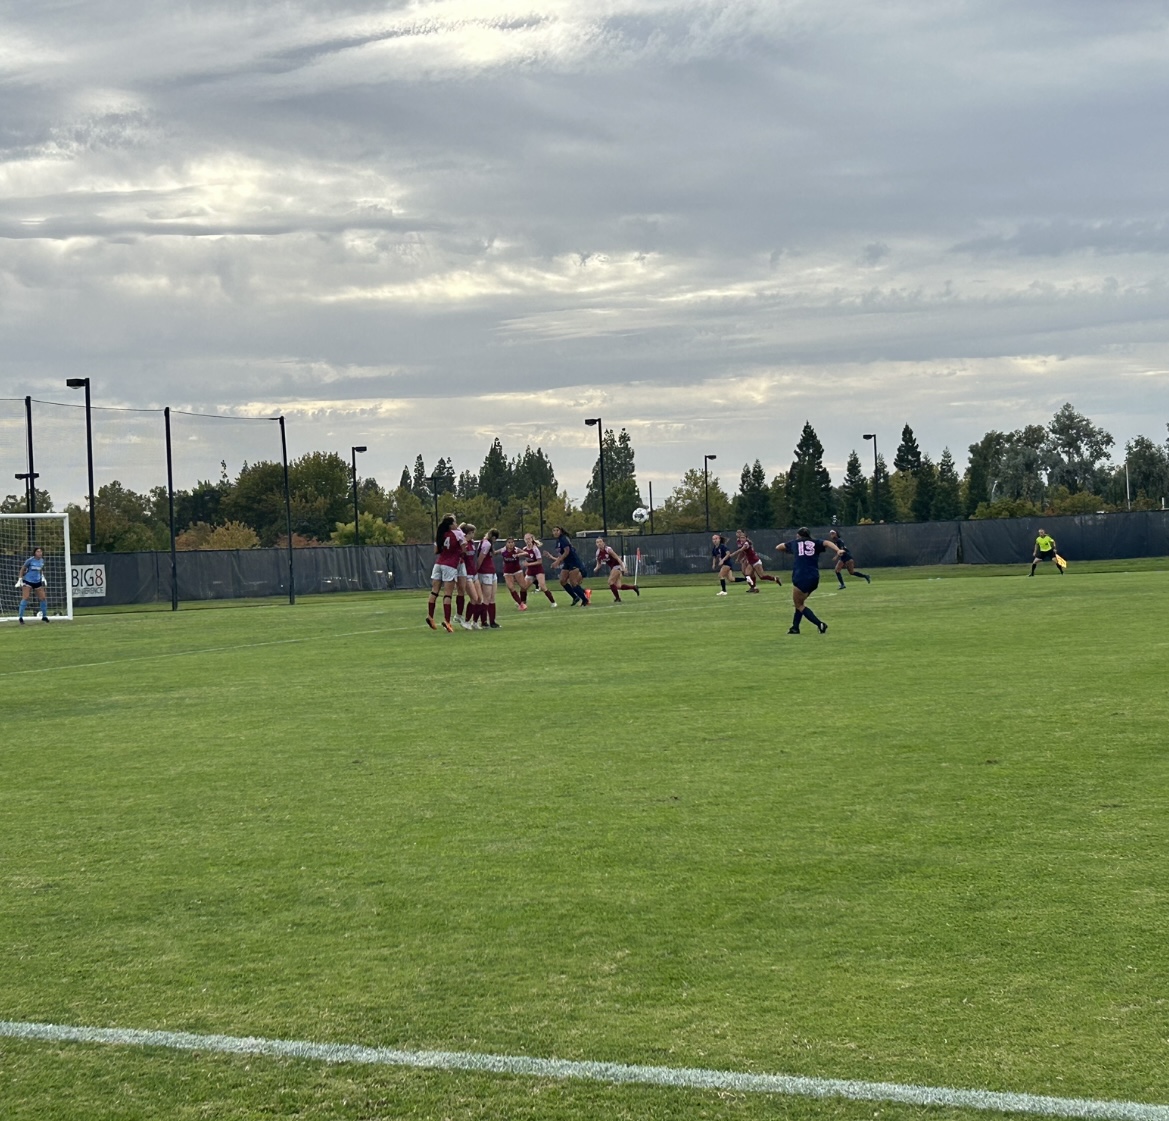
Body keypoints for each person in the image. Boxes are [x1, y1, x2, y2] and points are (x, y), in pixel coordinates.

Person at [775, 527, 842, 634]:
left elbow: (778, 547)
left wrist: (791, 550)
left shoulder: (795, 543)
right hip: (814, 577)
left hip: (801, 575)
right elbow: (827, 543)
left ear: (798, 536)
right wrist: (838, 550)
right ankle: (795, 627)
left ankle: (820, 624)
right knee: (800, 602)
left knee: (798, 604)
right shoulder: (815, 542)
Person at [426, 514, 461, 631]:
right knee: (447, 594)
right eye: (455, 523)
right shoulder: (457, 533)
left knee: (434, 592)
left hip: (438, 564)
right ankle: (447, 622)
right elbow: (464, 548)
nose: (456, 525)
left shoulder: (440, 534)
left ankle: (430, 616)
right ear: (450, 525)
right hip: (450, 565)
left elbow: (436, 551)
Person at [549, 525, 589, 605]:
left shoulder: (563, 538)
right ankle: (575, 597)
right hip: (567, 563)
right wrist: (556, 561)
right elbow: (561, 555)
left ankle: (585, 599)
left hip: (574, 561)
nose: (555, 532)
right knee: (562, 581)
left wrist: (557, 562)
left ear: (560, 531)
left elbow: (567, 551)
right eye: (554, 530)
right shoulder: (558, 541)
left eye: (557, 530)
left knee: (573, 582)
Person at [594, 537, 640, 603]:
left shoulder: (608, 549)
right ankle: (634, 587)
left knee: (610, 582)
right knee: (618, 586)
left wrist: (624, 568)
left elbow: (618, 558)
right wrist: (596, 569)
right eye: (597, 542)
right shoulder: (598, 553)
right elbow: (599, 563)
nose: (599, 543)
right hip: (613, 568)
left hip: (617, 566)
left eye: (600, 542)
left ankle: (617, 598)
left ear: (604, 543)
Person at [520, 533, 558, 606]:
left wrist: (529, 565)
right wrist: (527, 567)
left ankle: (553, 602)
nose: (527, 540)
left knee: (543, 586)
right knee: (523, 587)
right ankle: (523, 603)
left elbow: (539, 561)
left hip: (538, 570)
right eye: (526, 539)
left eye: (529, 539)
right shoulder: (524, 549)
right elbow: (527, 560)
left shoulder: (535, 549)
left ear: (532, 539)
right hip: (530, 571)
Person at [475, 529, 502, 628]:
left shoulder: (486, 543)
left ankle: (492, 621)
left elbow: (492, 554)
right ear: (494, 537)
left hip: (491, 572)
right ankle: (483, 621)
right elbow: (480, 558)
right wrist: (477, 570)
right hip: (486, 572)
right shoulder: (486, 544)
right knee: (486, 598)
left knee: (492, 597)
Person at [17, 547, 50, 624]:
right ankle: (20, 617)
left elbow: (40, 570)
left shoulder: (42, 561)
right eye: (38, 551)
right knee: (26, 597)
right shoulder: (30, 560)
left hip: (37, 581)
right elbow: (22, 569)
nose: (40, 553)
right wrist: (20, 579)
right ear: (35, 553)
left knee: (43, 598)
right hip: (28, 581)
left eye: (41, 552)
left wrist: (43, 577)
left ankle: (44, 616)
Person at [499, 536, 527, 610]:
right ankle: (520, 604)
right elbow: (495, 553)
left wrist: (518, 555)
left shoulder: (516, 549)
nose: (511, 544)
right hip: (507, 572)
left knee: (523, 587)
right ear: (506, 544)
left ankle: (523, 601)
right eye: (509, 542)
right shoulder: (503, 550)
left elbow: (526, 553)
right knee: (511, 587)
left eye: (512, 542)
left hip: (517, 570)